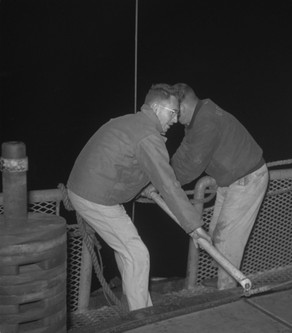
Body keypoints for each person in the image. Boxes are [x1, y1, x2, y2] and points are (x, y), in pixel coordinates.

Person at [67, 84, 211, 311]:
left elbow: (128, 163)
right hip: (96, 197)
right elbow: (169, 184)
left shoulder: (130, 122)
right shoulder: (148, 137)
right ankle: (140, 318)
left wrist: (144, 186)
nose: (175, 119)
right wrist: (195, 227)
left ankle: (137, 303)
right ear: (156, 108)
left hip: (86, 189)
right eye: (172, 112)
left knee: (127, 249)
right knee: (137, 253)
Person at [170, 83, 269, 290]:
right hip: (230, 181)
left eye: (176, 114)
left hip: (247, 179)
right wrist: (165, 170)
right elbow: (185, 151)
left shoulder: (206, 121)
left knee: (226, 241)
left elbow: (192, 164)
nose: (175, 120)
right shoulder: (199, 114)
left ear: (184, 106)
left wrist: (165, 182)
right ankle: (224, 280)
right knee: (215, 234)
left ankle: (226, 291)